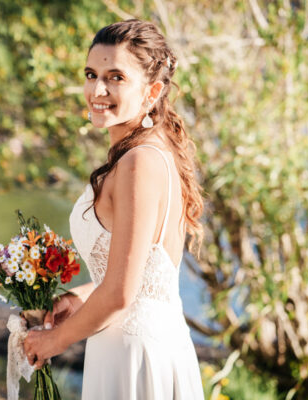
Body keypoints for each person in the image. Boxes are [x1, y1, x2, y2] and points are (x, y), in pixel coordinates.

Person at [23, 19, 205, 399]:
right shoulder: (149, 153)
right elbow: (139, 276)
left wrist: (53, 341)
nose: (97, 89)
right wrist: (79, 297)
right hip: (135, 345)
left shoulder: (139, 162)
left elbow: (122, 293)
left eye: (116, 77)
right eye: (91, 74)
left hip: (136, 358)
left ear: (152, 91)